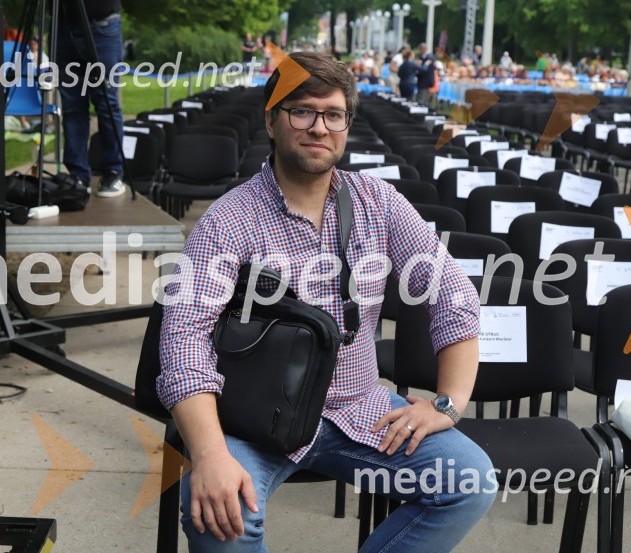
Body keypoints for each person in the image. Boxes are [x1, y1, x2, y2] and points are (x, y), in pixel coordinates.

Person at [157, 51, 496, 552]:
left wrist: (448, 404)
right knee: (215, 512)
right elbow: (183, 340)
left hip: (360, 408)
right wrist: (208, 455)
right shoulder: (227, 221)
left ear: (345, 125)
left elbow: (453, 292)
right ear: (272, 121)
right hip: (254, 420)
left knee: (470, 481)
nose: (319, 126)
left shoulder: (377, 202)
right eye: (302, 111)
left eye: (333, 114)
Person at [56, 0, 126, 197]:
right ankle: (78, 174)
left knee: (107, 104)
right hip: (64, 29)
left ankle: (113, 171)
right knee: (72, 107)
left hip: (102, 27)